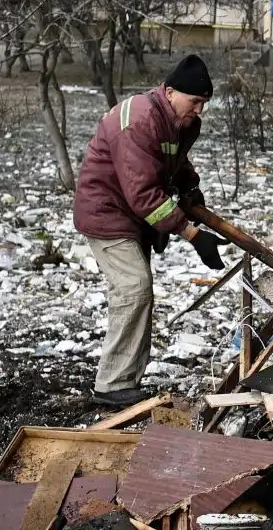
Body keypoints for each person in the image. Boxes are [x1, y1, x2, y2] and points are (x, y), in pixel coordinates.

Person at [73, 53, 230, 406]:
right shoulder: (139, 119)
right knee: (134, 288)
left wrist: (190, 187)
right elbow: (143, 194)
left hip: (131, 213)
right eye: (195, 102)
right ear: (171, 92)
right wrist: (191, 234)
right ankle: (112, 385)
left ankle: (126, 378)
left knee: (139, 290)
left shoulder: (178, 120)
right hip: (107, 211)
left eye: (205, 103)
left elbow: (172, 159)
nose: (200, 110)